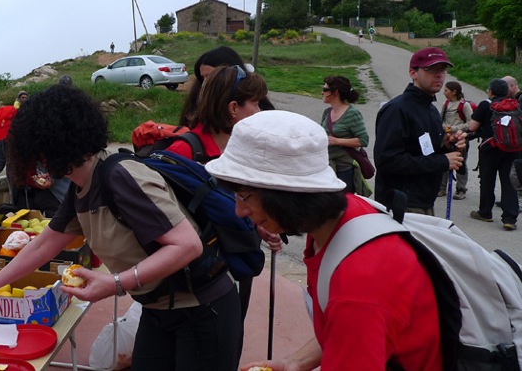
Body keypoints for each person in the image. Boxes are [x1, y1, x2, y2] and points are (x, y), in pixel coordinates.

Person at [0, 84, 242, 370]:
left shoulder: (119, 177)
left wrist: (114, 283)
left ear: (49, 146)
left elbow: (188, 245)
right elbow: (43, 245)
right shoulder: (81, 187)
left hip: (204, 312)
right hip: (158, 311)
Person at [204, 110, 442, 370]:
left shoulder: (357, 283)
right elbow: (342, 326)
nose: (239, 211)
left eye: (244, 196)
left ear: (285, 196)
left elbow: (351, 315)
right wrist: (295, 362)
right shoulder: (341, 221)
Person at [168, 65, 282, 324]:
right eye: (255, 103)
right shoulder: (182, 152)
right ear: (233, 108)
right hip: (194, 287)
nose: (260, 111)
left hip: (235, 269)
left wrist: (259, 223)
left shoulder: (240, 150)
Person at [374, 47, 465, 215]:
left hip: (424, 202)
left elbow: (425, 151)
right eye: (431, 69)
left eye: (442, 70)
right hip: (400, 205)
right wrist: (442, 161)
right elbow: (386, 161)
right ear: (413, 73)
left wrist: (447, 145)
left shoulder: (430, 109)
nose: (439, 75)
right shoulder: (397, 109)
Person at [0, 103, 70, 220]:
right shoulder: (1, 144)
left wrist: (52, 176)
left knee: (59, 229)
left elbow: (67, 161)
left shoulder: (43, 133)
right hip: (22, 192)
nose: (6, 138)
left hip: (53, 194)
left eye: (8, 134)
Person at [179, 46, 274, 127]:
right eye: (203, 77)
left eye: (210, 76)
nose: (205, 83)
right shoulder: (196, 102)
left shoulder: (258, 108)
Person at [469, 78, 519, 230]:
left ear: (490, 91)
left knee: (487, 180)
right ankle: (509, 218)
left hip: (490, 148)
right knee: (509, 182)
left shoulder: (485, 104)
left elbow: (472, 127)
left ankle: (485, 212)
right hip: (512, 149)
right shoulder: (516, 105)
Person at [320, 75, 370, 195]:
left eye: (325, 90)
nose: (322, 93)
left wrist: (336, 141)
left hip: (344, 169)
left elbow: (363, 140)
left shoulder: (352, 114)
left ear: (335, 92)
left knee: (344, 203)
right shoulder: (327, 112)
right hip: (328, 166)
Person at [438, 81, 473, 200]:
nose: (444, 93)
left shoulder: (465, 105)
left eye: (446, 90)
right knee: (444, 162)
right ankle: (441, 188)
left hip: (459, 138)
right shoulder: (446, 103)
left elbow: (470, 123)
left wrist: (454, 128)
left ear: (454, 92)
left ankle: (460, 189)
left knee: (460, 164)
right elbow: (440, 118)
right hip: (446, 138)